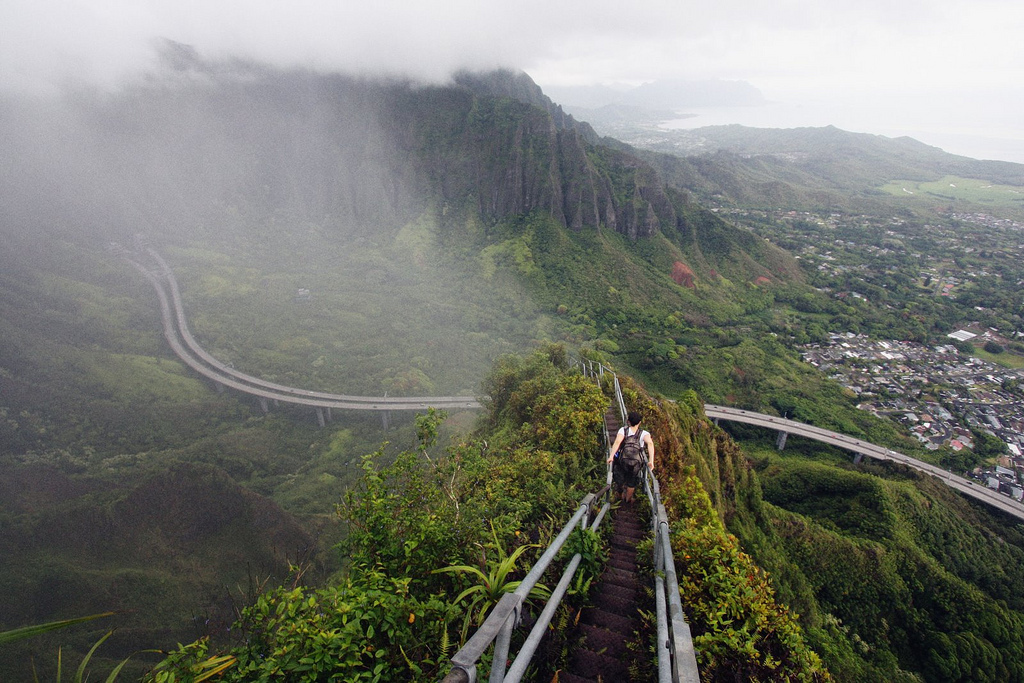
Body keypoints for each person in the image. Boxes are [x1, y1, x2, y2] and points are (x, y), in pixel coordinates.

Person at [607, 411, 655, 504]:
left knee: (619, 477)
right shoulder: (644, 433)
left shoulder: (623, 430)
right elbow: (650, 443)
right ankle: (628, 500)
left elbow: (617, 442)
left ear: (628, 421)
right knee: (632, 481)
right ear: (639, 422)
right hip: (636, 463)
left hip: (622, 460)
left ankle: (619, 495)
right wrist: (651, 461)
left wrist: (611, 456)